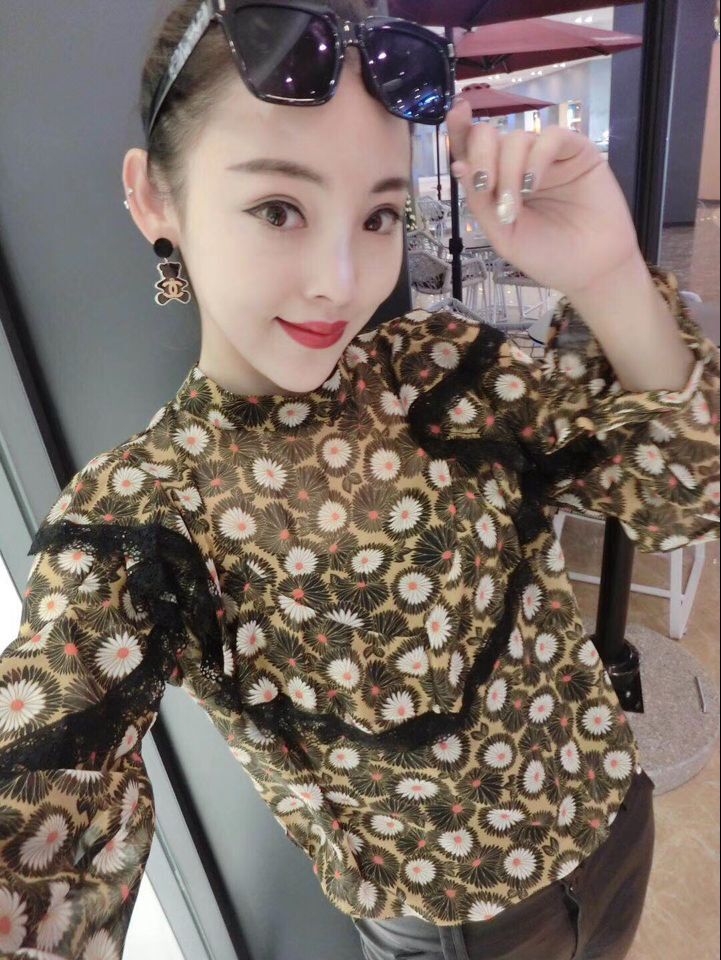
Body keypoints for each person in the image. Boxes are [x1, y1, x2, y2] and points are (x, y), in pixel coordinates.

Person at [0, 1, 719, 958]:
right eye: (278, 209)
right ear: (154, 200)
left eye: (379, 215)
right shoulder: (146, 516)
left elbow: (686, 489)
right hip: (459, 931)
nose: (340, 280)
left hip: (611, 814)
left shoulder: (440, 371)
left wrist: (609, 273)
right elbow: (41, 820)